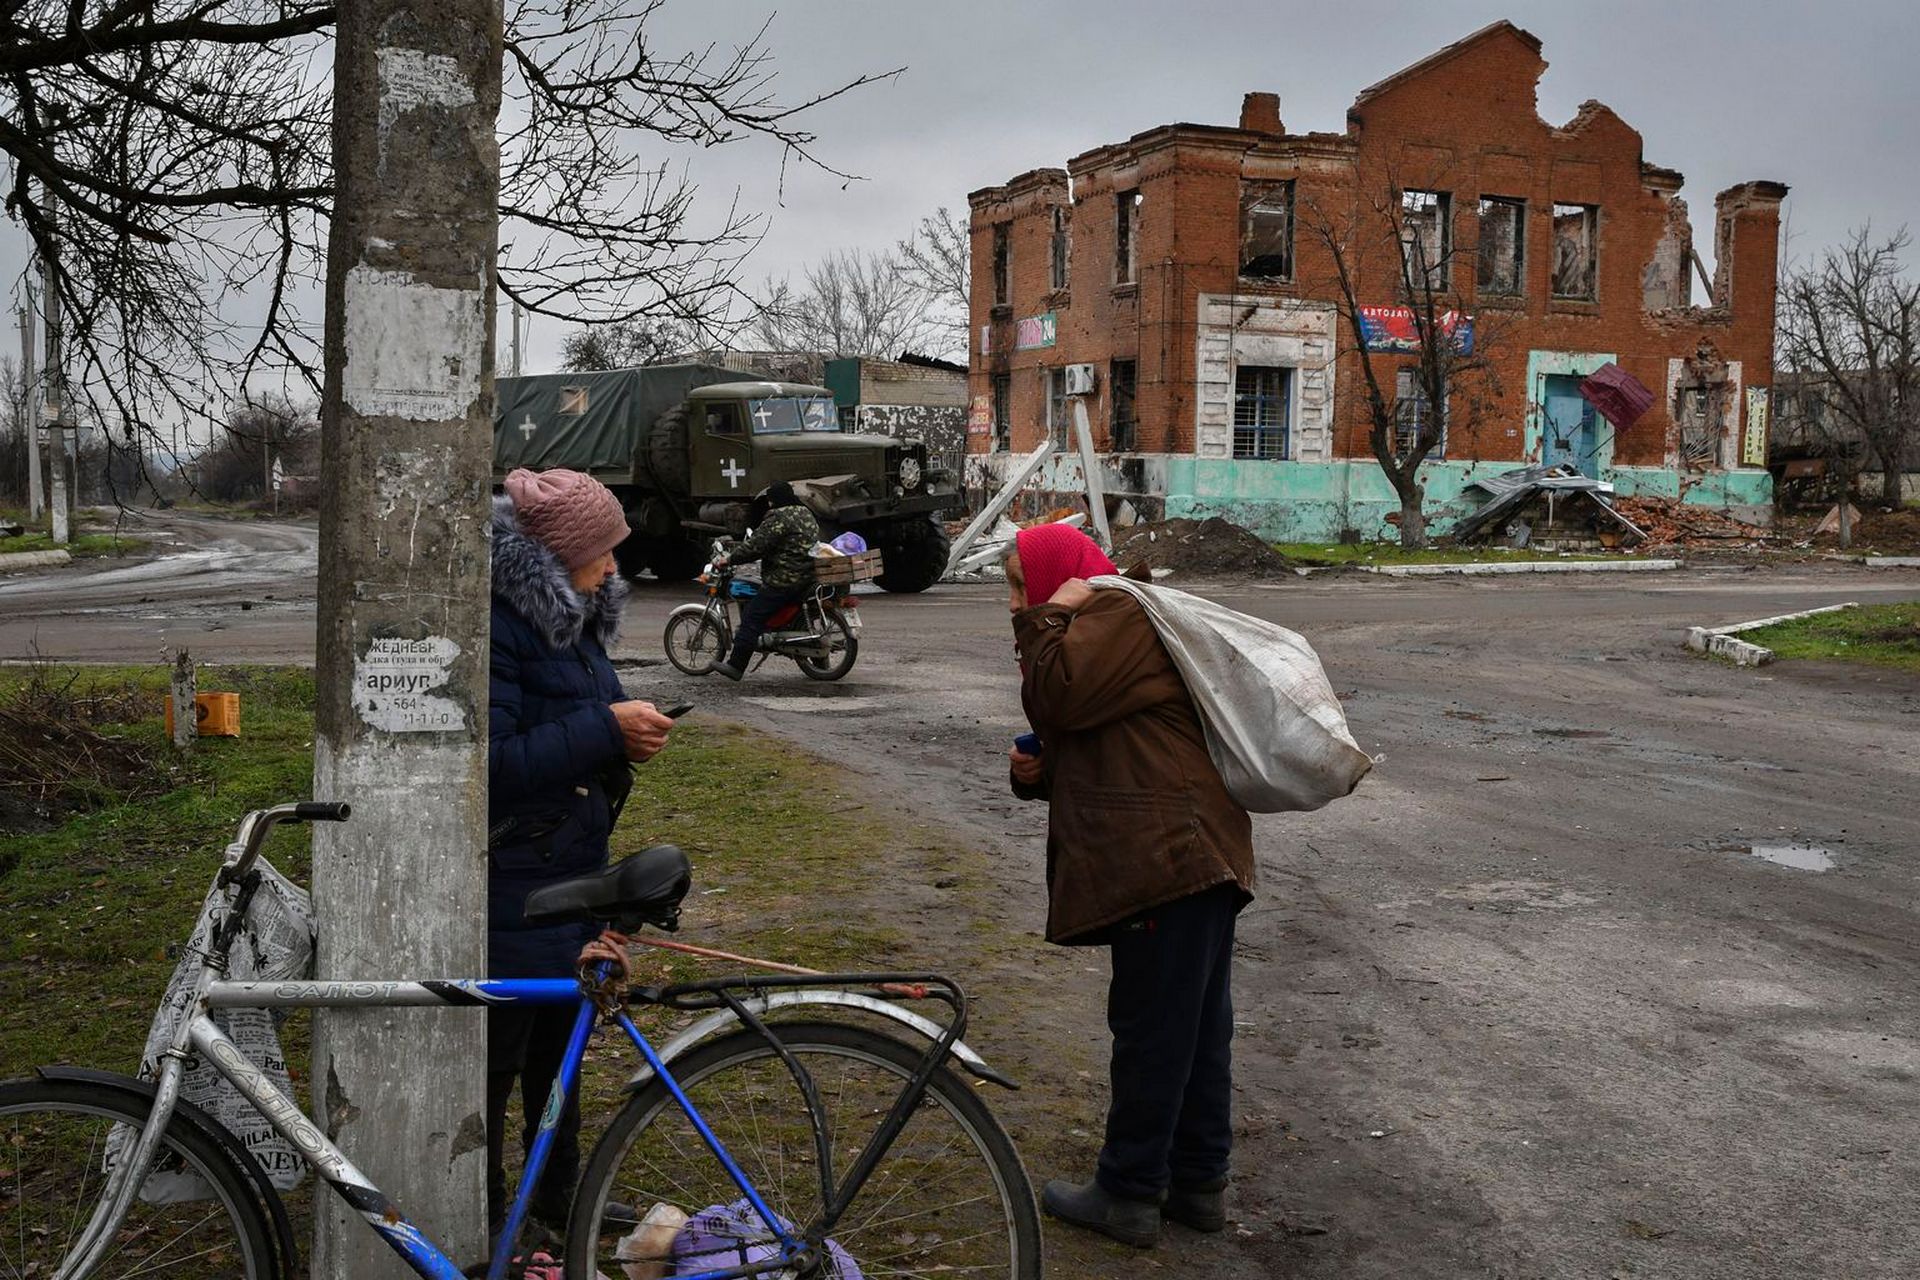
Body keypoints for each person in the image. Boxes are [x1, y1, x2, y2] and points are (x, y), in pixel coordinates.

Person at [1004, 523, 1255, 1248]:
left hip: (1168, 858)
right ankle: (1198, 1181)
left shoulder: (1116, 613)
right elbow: (1112, 736)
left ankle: (1129, 1190)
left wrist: (1047, 612)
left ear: (1061, 571)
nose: (1015, 604)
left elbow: (1057, 699)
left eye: (1023, 584)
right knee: (1196, 1028)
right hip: (1191, 850)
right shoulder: (1113, 620)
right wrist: (1040, 775)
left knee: (1152, 1030)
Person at [488, 467, 675, 1243]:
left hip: (565, 867)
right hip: (514, 879)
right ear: (558, 555)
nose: (613, 568)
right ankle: (484, 1206)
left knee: (559, 1046)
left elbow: (579, 712)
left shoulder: (575, 616)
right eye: (602, 552)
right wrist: (606, 730)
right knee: (500, 1055)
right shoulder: (502, 623)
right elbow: (490, 763)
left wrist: (626, 732)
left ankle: (558, 1195)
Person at [710, 481, 821, 681]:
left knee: (752, 618)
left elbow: (756, 546)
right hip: (808, 577)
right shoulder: (806, 513)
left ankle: (735, 666)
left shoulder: (779, 516)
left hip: (786, 579)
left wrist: (729, 559)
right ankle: (821, 662)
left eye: (770, 499)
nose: (769, 503)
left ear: (775, 499)